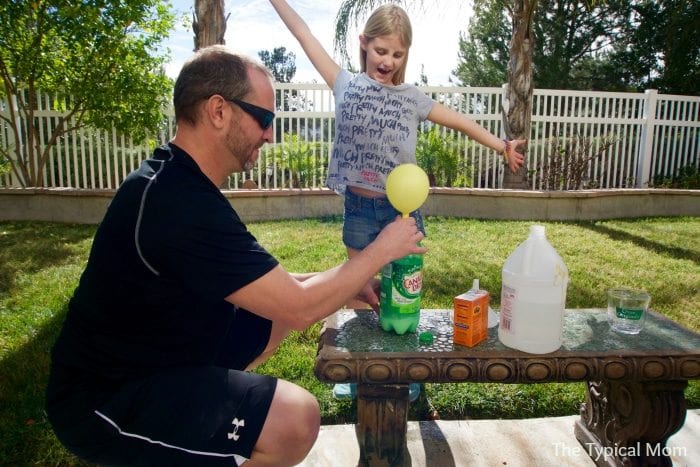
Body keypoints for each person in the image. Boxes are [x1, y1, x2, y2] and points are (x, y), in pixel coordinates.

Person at [45, 45, 426, 467]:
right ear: (219, 111)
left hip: (165, 360)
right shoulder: (178, 203)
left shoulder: (181, 183)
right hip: (107, 398)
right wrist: (381, 250)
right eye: (264, 119)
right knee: (295, 419)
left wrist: (354, 287)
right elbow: (299, 308)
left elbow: (278, 293)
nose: (269, 134)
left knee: (270, 312)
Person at [269, 0, 526, 260]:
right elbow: (303, 35)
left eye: (397, 54)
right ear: (364, 42)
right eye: (381, 51)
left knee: (404, 290)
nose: (388, 61)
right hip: (359, 209)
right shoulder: (344, 84)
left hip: (400, 210)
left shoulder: (412, 98)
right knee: (360, 286)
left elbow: (460, 120)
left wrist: (501, 145)